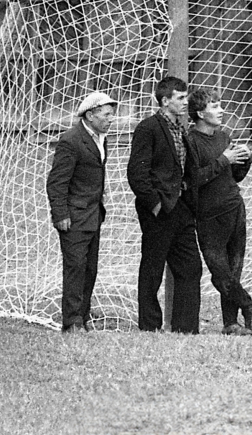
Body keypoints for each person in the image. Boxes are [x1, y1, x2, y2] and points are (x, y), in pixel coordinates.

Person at [126, 75, 202, 334]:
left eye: (185, 97)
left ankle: (186, 327)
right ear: (165, 100)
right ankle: (149, 326)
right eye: (180, 98)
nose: (184, 102)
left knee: (191, 267)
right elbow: (137, 173)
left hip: (181, 208)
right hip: (158, 210)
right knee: (152, 269)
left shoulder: (181, 129)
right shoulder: (149, 128)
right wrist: (155, 205)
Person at [187, 85, 252, 334]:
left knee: (234, 270)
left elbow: (233, 176)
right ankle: (248, 306)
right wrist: (223, 160)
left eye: (220, 105)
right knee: (220, 274)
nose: (221, 110)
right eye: (214, 106)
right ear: (199, 113)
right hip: (209, 217)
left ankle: (231, 323)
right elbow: (194, 179)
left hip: (235, 210)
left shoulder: (224, 137)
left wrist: (245, 159)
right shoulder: (191, 142)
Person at [46, 90, 116, 332]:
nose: (110, 119)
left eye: (111, 115)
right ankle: (72, 321)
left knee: (90, 268)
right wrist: (61, 214)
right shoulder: (71, 140)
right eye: (106, 115)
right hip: (74, 217)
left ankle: (83, 316)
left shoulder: (100, 138)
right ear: (90, 115)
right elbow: (57, 181)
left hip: (94, 215)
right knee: (75, 268)